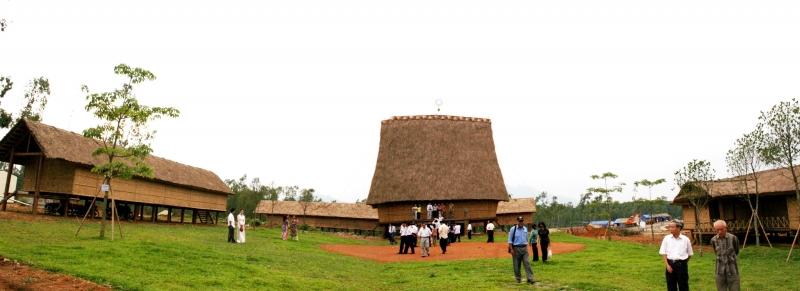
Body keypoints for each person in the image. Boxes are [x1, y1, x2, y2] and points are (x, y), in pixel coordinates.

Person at [659, 221, 693, 291]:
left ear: (679, 228)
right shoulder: (666, 238)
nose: (670, 229)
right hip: (670, 265)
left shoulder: (685, 240)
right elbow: (663, 252)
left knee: (683, 286)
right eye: (669, 227)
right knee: (671, 286)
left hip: (682, 265)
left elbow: (690, 254)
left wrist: (683, 263)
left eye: (672, 227)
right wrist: (667, 265)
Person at [710, 220, 740, 291]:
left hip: (732, 270)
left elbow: (736, 251)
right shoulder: (713, 240)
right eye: (717, 230)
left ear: (726, 228)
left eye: (721, 229)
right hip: (719, 271)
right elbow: (715, 252)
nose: (719, 232)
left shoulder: (733, 238)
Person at [508, 216, 535, 284]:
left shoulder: (525, 229)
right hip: (516, 248)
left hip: (524, 248)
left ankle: (530, 278)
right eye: (519, 221)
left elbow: (526, 238)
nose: (521, 222)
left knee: (527, 263)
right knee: (517, 264)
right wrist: (511, 249)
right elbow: (510, 240)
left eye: (522, 221)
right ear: (517, 221)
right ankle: (518, 278)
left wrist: (526, 246)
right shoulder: (513, 229)